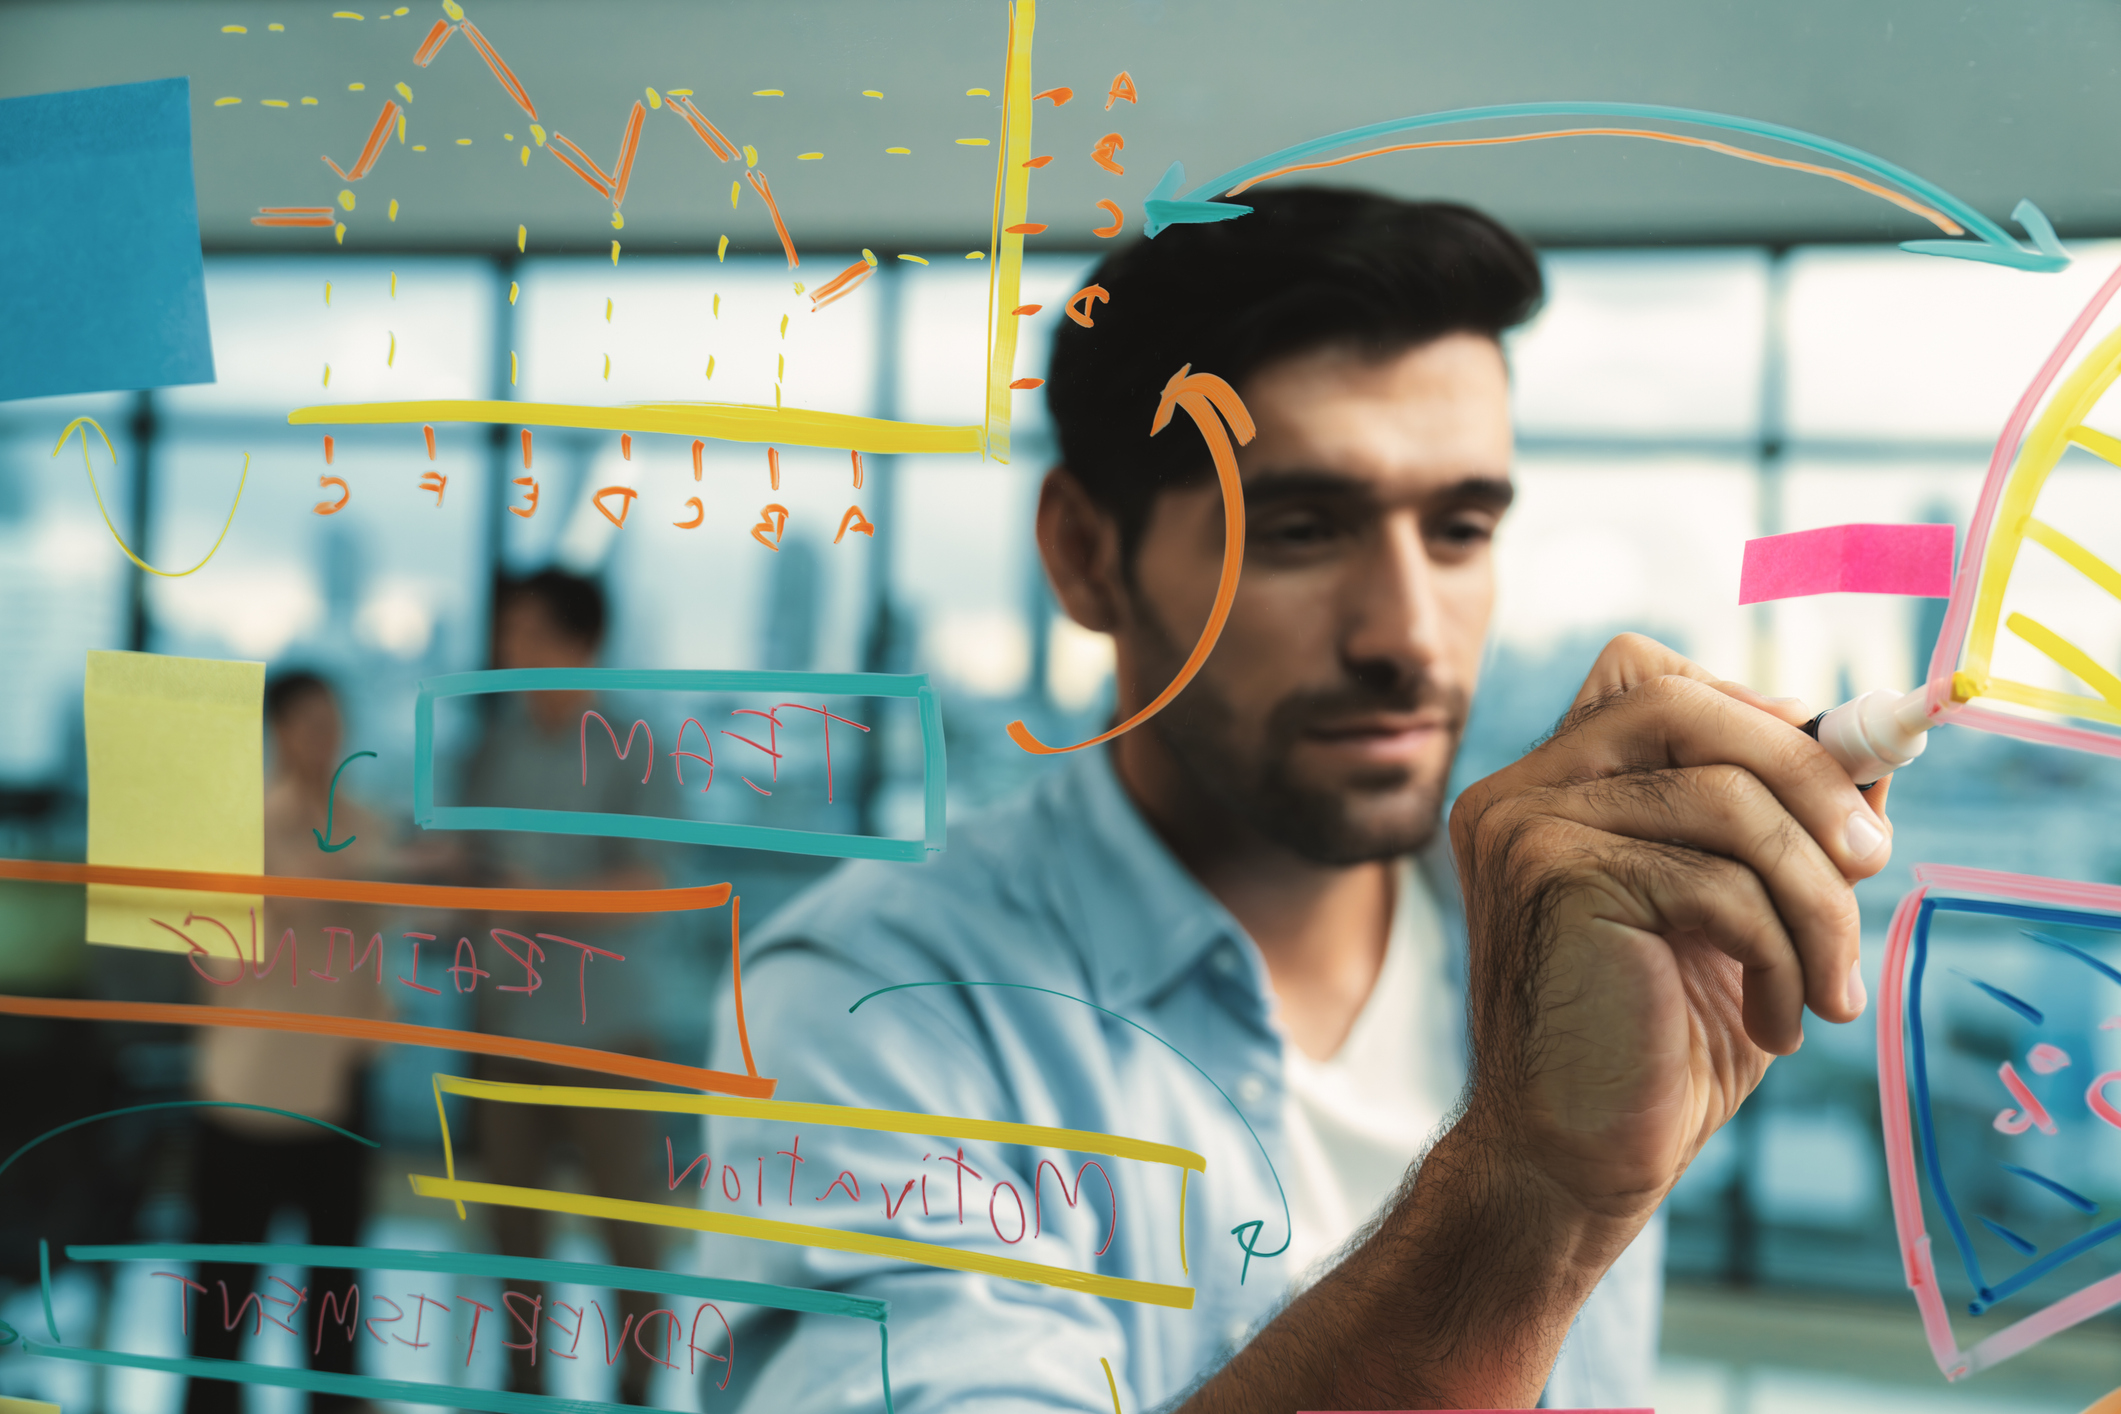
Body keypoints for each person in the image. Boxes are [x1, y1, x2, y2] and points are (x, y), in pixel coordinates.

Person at [702, 188, 1889, 1411]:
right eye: (1304, 529)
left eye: (1461, 527)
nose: (1407, 634)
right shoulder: (882, 1004)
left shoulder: (1575, 943)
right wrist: (1530, 1191)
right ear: (1085, 554)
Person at [456, 568, 673, 1406]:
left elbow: (654, 886)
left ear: (580, 644)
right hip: (506, 1025)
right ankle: (523, 1384)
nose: (511, 650)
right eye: (508, 633)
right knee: (513, 1237)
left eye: (528, 633)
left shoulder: (634, 745)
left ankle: (638, 1389)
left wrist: (530, 895)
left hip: (608, 1036)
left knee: (631, 1231)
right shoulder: (495, 745)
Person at [186, 671, 391, 1414]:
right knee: (226, 1288)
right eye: (307, 724)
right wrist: (278, 896)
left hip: (338, 1082)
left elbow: (376, 950)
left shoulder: (365, 824)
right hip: (248, 1085)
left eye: (332, 724)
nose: (323, 740)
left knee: (335, 1280)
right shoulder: (237, 833)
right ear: (276, 731)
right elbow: (217, 967)